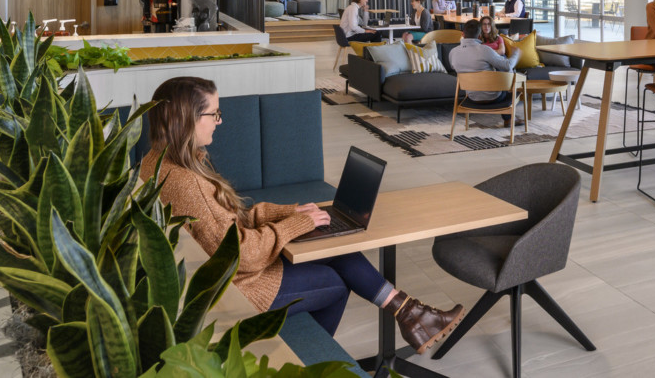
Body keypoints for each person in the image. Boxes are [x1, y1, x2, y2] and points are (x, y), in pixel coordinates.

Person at [140, 77, 465, 350]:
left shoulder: (158, 162)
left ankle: (411, 314)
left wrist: (290, 212)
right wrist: (294, 225)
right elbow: (241, 255)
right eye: (214, 114)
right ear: (188, 118)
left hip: (223, 274)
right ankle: (310, 361)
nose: (220, 121)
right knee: (337, 285)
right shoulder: (187, 182)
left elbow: (229, 222)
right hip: (238, 288)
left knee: (332, 242)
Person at [448, 21, 524, 127]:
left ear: (462, 34)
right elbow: (507, 65)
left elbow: (454, 67)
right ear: (479, 35)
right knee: (510, 80)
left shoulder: (453, 53)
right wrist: (516, 53)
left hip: (471, 97)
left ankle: (510, 119)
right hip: (494, 98)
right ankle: (510, 119)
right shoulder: (485, 50)